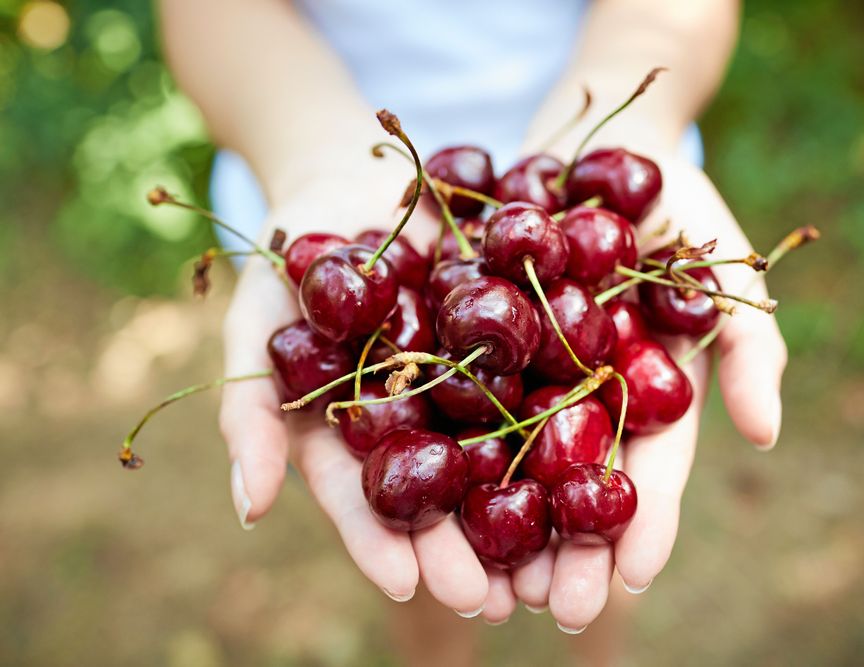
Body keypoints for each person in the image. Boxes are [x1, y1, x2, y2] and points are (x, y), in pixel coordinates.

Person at [161, 0, 786, 660]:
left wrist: (642, 113)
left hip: (572, 141)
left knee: (612, 565)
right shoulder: (399, 321)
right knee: (420, 574)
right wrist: (312, 158)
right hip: (319, 161)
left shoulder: (561, 290)